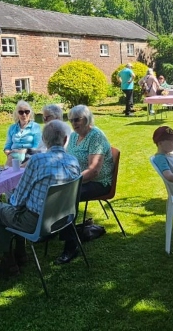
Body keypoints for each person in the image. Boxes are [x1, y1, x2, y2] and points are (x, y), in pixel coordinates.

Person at [0, 121, 81, 276]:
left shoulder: (37, 161)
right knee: (18, 208)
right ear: (66, 140)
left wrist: (11, 199)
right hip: (64, 220)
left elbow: (18, 199)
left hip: (38, 225)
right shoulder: (73, 160)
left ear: (44, 140)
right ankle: (21, 253)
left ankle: (8, 260)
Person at [59, 105, 115, 264]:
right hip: (79, 179)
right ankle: (63, 231)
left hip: (98, 182)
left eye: (77, 119)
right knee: (53, 190)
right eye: (71, 120)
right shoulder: (75, 136)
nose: (73, 123)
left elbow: (93, 171)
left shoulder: (96, 136)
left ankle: (71, 246)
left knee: (67, 196)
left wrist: (70, 182)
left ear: (87, 118)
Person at [3, 100, 42, 165]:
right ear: (17, 114)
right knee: (7, 171)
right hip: (14, 155)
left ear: (30, 113)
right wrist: (8, 153)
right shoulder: (12, 128)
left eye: (27, 112)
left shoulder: (35, 127)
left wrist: (25, 151)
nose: (24, 114)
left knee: (21, 170)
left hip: (29, 156)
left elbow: (37, 146)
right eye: (21, 112)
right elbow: (8, 146)